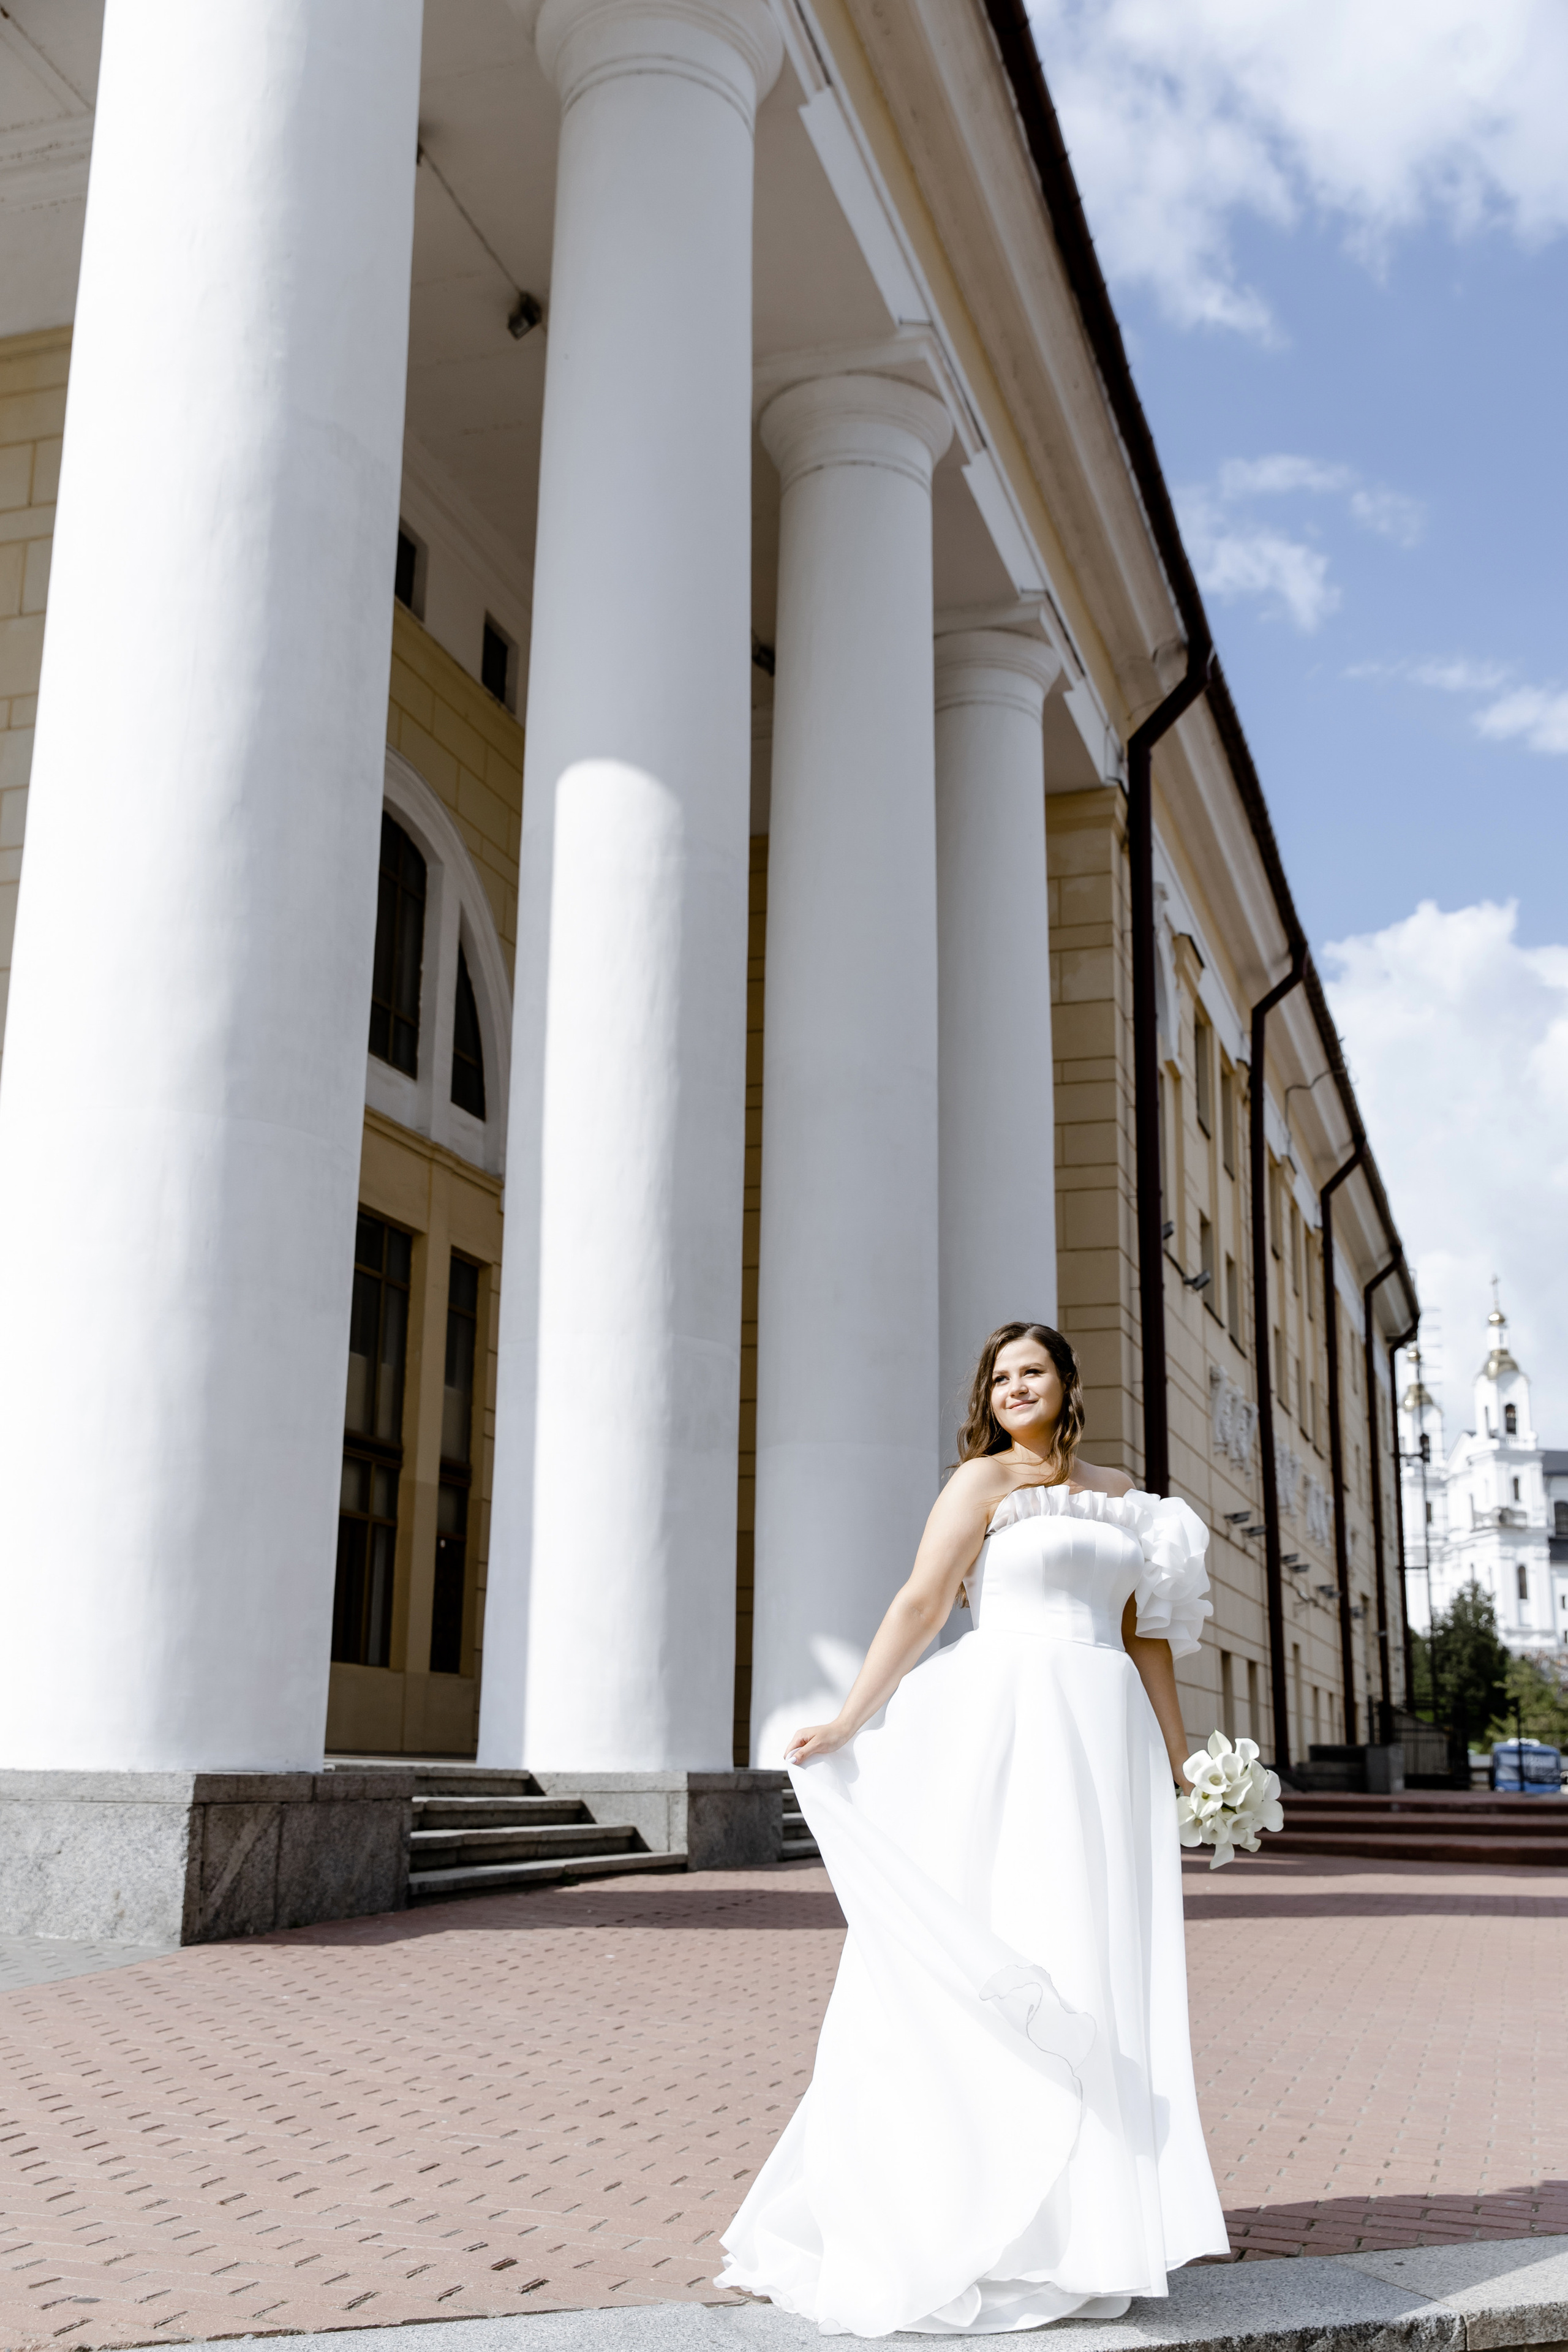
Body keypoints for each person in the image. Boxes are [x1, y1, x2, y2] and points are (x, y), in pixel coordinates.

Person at [717, 1321, 1229, 2337]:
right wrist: (855, 1713)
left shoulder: (1130, 1499)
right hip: (1010, 1724)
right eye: (999, 1378)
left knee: (1098, 1956)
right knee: (1015, 1927)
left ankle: (1088, 2228)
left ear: (1068, 1382)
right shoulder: (980, 1487)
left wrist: (1185, 1766)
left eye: (1031, 1371)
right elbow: (918, 1603)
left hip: (1107, 1733)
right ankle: (970, 2203)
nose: (1014, 1388)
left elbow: (1150, 1640)